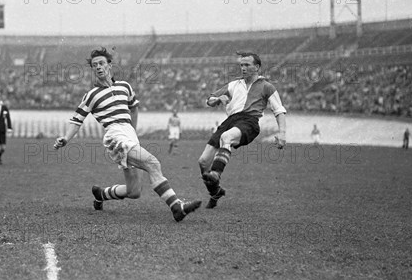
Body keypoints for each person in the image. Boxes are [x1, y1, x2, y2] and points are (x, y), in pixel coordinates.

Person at [54, 47, 201, 222]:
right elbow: (77, 120)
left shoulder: (125, 86)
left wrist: (133, 132)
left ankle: (101, 194)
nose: (98, 67)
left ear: (110, 65)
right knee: (153, 163)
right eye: (95, 65)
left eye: (101, 63)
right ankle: (177, 207)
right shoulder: (91, 95)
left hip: (129, 135)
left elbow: (134, 107)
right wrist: (65, 138)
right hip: (114, 136)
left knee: (134, 191)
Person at [198, 51, 287, 209]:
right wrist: (218, 99)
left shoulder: (267, 86)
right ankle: (215, 191)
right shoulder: (233, 85)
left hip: (249, 122)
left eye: (247, 65)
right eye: (241, 65)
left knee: (226, 137)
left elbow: (279, 111)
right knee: (203, 161)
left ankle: (217, 173)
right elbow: (209, 100)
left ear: (257, 67)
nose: (243, 68)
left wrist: (282, 133)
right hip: (230, 121)